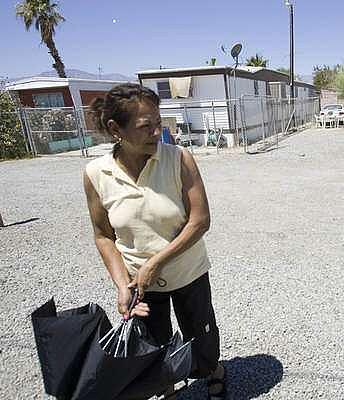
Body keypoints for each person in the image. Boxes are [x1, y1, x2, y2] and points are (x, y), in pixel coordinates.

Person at [83, 83, 225, 399]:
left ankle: (213, 370)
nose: (156, 131)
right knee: (153, 347)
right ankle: (167, 389)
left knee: (201, 338)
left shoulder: (179, 159)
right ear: (114, 128)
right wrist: (123, 285)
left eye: (158, 122)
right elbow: (104, 236)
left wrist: (155, 263)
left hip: (188, 273)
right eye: (146, 126)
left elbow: (200, 221)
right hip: (139, 284)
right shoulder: (96, 173)